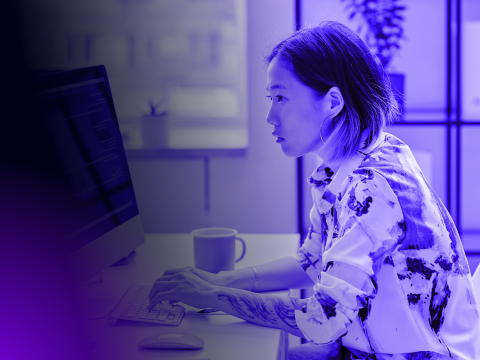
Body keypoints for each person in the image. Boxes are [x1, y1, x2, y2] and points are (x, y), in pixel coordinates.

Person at [148, 21, 480, 359]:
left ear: (332, 101)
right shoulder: (350, 163)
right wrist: (223, 282)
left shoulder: (373, 187)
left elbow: (324, 319)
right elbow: (313, 260)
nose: (270, 117)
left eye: (281, 97)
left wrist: (213, 297)